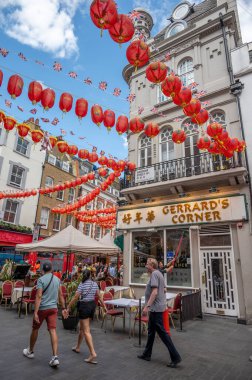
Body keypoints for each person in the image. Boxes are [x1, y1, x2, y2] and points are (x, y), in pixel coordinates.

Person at [137, 258, 182, 368]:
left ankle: (175, 357)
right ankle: (147, 354)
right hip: (156, 308)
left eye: (147, 264)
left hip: (155, 308)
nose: (145, 266)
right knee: (151, 332)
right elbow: (163, 289)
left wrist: (147, 306)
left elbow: (155, 292)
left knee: (163, 334)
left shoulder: (154, 274)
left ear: (152, 265)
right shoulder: (158, 274)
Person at [23, 261, 67, 367]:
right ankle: (55, 357)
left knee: (35, 328)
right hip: (53, 308)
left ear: (42, 270)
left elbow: (38, 296)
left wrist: (36, 312)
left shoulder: (40, 280)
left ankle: (30, 351)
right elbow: (61, 295)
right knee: (53, 330)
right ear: (51, 269)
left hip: (43, 308)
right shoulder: (57, 280)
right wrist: (64, 308)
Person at [65, 269, 105, 364]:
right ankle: (78, 347)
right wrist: (104, 306)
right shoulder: (94, 284)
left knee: (86, 331)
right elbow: (99, 297)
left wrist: (68, 307)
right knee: (82, 328)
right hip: (92, 306)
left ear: (83, 275)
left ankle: (93, 353)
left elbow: (75, 297)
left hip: (84, 306)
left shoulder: (82, 284)